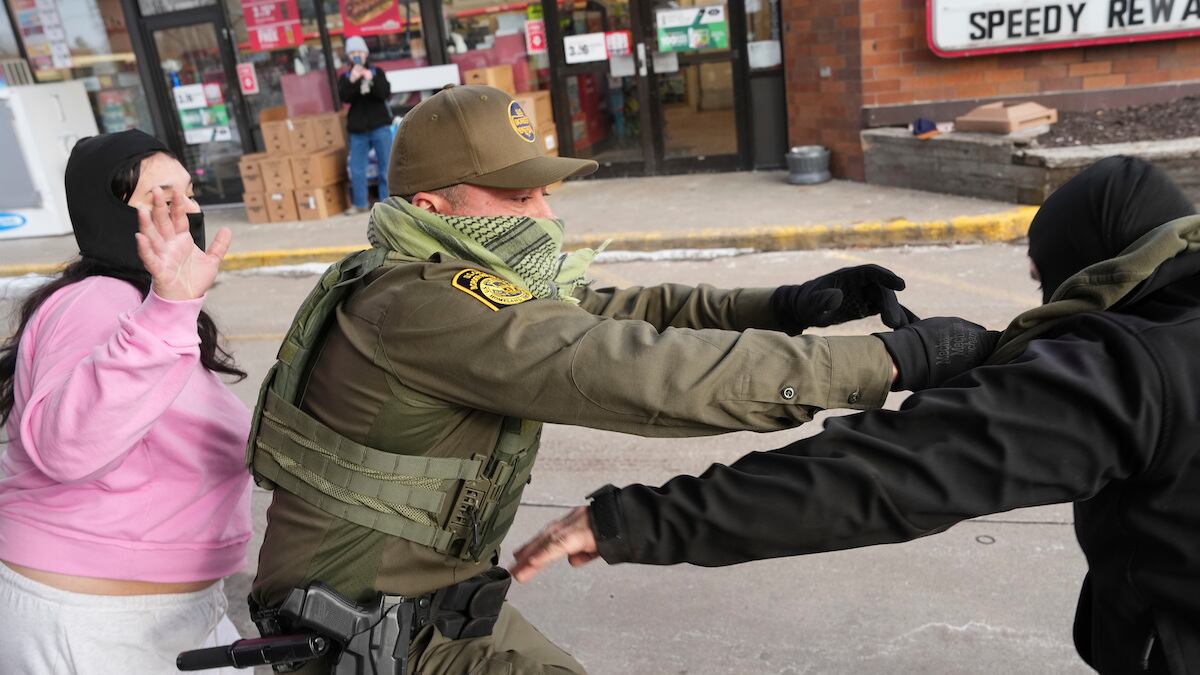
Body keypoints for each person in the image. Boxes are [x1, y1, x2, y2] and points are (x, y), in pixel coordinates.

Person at [244, 84, 996, 674]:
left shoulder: (443, 272)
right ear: (434, 206)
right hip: (360, 628)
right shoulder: (428, 305)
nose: (542, 213)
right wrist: (887, 362)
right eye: (515, 196)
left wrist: (787, 305)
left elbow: (625, 309)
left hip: (429, 595)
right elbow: (638, 369)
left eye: (542, 191)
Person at [512, 156, 1200, 675]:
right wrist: (791, 305)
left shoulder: (1134, 369)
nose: (546, 213)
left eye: (1045, 274)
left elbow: (882, 475)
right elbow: (629, 314)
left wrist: (634, 520)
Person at [0, 130, 253, 674]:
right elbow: (68, 446)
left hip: (165, 612)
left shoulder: (146, 305)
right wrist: (169, 309)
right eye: (162, 198)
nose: (188, 209)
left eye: (188, 192)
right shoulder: (97, 300)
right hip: (93, 619)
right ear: (108, 211)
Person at [339, 35, 393, 215]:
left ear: (366, 53)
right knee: (357, 169)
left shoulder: (378, 72)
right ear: (348, 56)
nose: (356, 55)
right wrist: (353, 80)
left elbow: (384, 93)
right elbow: (344, 97)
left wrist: (371, 79)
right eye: (353, 52)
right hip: (358, 129)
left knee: (386, 166)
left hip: (380, 126)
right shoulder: (346, 77)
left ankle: (388, 203)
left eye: (359, 52)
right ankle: (360, 203)